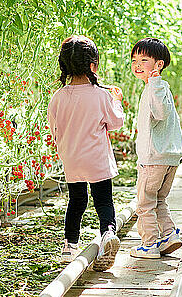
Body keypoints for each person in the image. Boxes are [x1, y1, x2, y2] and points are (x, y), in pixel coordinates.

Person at [47, 35, 124, 271]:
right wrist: (117, 101)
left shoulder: (58, 97)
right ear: (93, 65)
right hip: (96, 159)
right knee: (103, 200)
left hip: (71, 158)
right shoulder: (101, 95)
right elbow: (116, 123)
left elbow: (54, 127)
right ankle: (108, 233)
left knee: (77, 200)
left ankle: (69, 245)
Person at [129, 38, 182, 259]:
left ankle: (149, 244)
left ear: (159, 64)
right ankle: (170, 234)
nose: (137, 65)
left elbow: (160, 113)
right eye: (134, 60)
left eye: (144, 60)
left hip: (154, 158)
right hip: (168, 157)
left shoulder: (156, 86)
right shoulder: (159, 87)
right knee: (159, 200)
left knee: (144, 203)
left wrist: (153, 84)